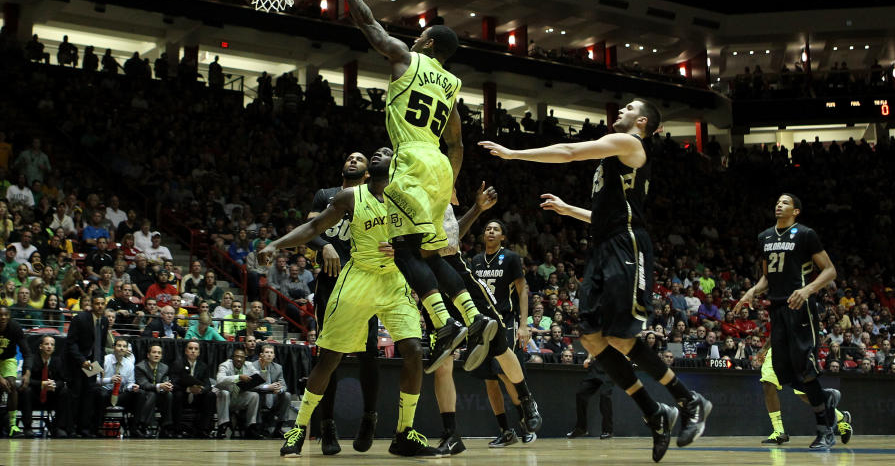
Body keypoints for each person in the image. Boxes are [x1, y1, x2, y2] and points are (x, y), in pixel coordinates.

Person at [480, 99, 712, 463]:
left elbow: (570, 151)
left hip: (627, 244)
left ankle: (688, 399)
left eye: (630, 107)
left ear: (642, 120)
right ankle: (655, 413)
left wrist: (513, 154)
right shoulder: (615, 158)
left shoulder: (631, 143)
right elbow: (605, 215)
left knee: (621, 336)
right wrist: (569, 209)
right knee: (591, 337)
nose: (621, 109)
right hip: (604, 245)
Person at [323, 0, 496, 373]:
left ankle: (443, 324)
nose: (415, 38)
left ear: (430, 44)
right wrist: (450, 183)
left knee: (400, 248)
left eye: (422, 36)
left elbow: (369, 26)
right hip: (439, 166)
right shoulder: (453, 85)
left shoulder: (407, 57)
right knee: (433, 254)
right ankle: (474, 317)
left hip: (412, 158)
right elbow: (456, 143)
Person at [262, 147, 440, 457]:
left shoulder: (407, 197)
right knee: (329, 358)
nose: (377, 154)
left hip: (394, 281)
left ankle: (404, 433)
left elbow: (426, 242)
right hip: (358, 277)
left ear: (394, 164)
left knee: (413, 349)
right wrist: (276, 244)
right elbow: (314, 228)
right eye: (375, 152)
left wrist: (403, 248)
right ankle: (300, 428)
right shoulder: (350, 197)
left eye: (385, 152)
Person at [425, 185, 542, 454]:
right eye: (487, 229)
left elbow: (523, 288)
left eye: (495, 229)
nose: (490, 232)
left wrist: (524, 324)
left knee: (501, 357)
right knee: (451, 363)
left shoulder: (510, 257)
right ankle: (461, 433)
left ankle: (526, 402)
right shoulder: (477, 259)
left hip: (483, 297)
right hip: (428, 278)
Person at [734, 193, 845, 450]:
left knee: (804, 369)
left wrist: (808, 290)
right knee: (784, 373)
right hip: (777, 308)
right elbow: (767, 277)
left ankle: (825, 430)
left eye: (785, 202)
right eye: (777, 201)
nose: (779, 204)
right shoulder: (764, 237)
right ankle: (825, 398)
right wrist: (754, 291)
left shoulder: (806, 234)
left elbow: (830, 271)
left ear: (795, 211)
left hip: (801, 307)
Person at [305, 151, 381, 454]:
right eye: (349, 157)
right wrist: (324, 246)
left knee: (369, 353)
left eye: (360, 159)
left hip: (365, 283)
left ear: (367, 173)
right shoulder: (325, 195)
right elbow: (310, 232)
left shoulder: (374, 198)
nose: (352, 159)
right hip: (330, 284)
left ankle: (369, 419)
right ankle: (327, 427)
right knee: (328, 357)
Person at [64, 293, 108, 437]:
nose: (100, 306)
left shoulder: (105, 321)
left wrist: (99, 365)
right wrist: (82, 360)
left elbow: (100, 345)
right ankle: (71, 429)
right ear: (92, 305)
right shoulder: (80, 318)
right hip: (77, 363)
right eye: (97, 303)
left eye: (102, 303)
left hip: (92, 365)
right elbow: (71, 343)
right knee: (75, 395)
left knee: (88, 397)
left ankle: (84, 429)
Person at [21, 334, 71, 437]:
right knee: (26, 391)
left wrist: (54, 385)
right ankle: (27, 428)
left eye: (52, 345)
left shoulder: (58, 361)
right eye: (46, 344)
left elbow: (62, 380)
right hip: (35, 395)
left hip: (51, 395)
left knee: (65, 391)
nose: (49, 346)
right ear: (40, 346)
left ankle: (59, 427)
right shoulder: (31, 360)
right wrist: (41, 384)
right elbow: (26, 380)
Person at [96, 337, 143, 437]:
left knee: (139, 393)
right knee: (101, 394)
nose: (122, 348)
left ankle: (134, 427)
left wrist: (132, 387)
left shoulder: (129, 364)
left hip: (119, 394)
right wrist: (109, 379)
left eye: (124, 346)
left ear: (127, 349)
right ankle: (98, 427)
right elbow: (93, 379)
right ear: (113, 347)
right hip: (105, 392)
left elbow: (130, 382)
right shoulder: (104, 359)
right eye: (119, 346)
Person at [170, 340, 216, 438]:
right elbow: (174, 382)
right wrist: (188, 389)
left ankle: (204, 429)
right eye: (190, 348)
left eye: (196, 349)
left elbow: (207, 384)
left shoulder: (203, 366)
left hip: (197, 396)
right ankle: (177, 430)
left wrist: (201, 390)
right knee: (177, 394)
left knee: (210, 395)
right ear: (186, 351)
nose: (193, 351)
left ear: (199, 352)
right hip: (183, 394)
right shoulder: (177, 364)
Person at [214, 347, 260, 439]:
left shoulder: (249, 365)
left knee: (254, 396)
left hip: (238, 397)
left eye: (242, 357)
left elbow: (257, 376)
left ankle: (251, 426)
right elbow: (219, 380)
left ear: (245, 358)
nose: (239, 359)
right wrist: (238, 377)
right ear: (233, 357)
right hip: (224, 399)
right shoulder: (225, 365)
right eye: (237, 356)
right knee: (224, 393)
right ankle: (222, 426)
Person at [0, 305, 32, 437]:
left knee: (12, 384)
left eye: (5, 315)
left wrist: (27, 373)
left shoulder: (15, 328)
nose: (3, 317)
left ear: (9, 316)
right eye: (0, 315)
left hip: (8, 360)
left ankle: (12, 425)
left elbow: (27, 353)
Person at [134, 342, 176, 437]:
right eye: (154, 352)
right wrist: (160, 386)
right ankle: (142, 425)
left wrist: (167, 386)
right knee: (151, 394)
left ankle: (166, 426)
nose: (157, 355)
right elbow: (144, 384)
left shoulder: (164, 367)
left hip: (159, 395)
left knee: (169, 394)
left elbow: (165, 380)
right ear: (148, 355)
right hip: (144, 395)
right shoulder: (140, 367)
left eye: (159, 353)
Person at [250, 344, 290, 438]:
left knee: (287, 395)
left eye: (271, 353)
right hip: (259, 396)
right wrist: (268, 387)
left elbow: (284, 385)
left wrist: (279, 389)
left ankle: (278, 428)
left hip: (273, 396)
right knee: (255, 395)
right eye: (266, 352)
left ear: (274, 356)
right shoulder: (253, 366)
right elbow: (251, 386)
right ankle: (257, 427)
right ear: (261, 355)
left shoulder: (278, 368)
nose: (269, 355)